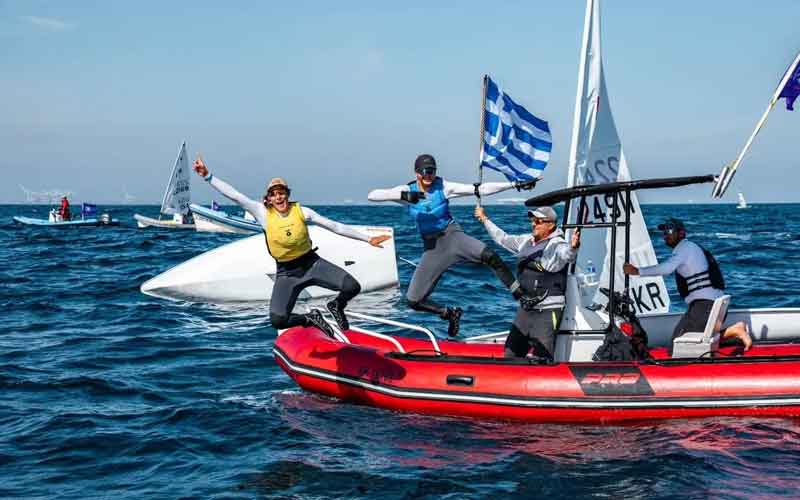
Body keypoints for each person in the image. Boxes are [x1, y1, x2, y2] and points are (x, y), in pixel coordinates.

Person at [193, 158, 391, 337]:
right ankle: (310, 318)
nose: (278, 198)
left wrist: (368, 239)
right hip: (287, 274)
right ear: (268, 199)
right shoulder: (262, 213)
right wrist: (207, 176)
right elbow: (235, 196)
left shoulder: (302, 212)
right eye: (274, 195)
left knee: (352, 286)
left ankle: (336, 306)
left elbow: (335, 226)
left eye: (282, 193)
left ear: (287, 195)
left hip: (312, 264)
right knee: (278, 320)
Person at [368, 153, 538, 336]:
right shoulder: (406, 191)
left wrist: (514, 184)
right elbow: (372, 195)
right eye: (425, 172)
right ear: (417, 173)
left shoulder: (444, 186)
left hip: (453, 236)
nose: (429, 175)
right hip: (433, 248)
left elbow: (480, 189)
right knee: (413, 301)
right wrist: (404, 195)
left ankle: (521, 296)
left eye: (432, 171)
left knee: (490, 255)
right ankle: (449, 314)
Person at [623, 217, 751, 353]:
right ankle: (735, 333)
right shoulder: (690, 248)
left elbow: (667, 268)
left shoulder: (684, 248)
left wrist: (637, 271)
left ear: (681, 233)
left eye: (669, 231)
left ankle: (734, 331)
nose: (665, 235)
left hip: (706, 306)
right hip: (710, 306)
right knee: (682, 345)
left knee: (677, 347)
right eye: (664, 232)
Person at [475, 205, 580, 359]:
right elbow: (502, 238)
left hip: (547, 311)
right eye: (533, 220)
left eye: (538, 221)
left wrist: (573, 248)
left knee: (542, 357)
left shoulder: (557, 244)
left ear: (550, 225)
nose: (533, 224)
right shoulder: (526, 241)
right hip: (526, 308)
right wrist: (485, 219)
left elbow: (567, 255)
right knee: (510, 354)